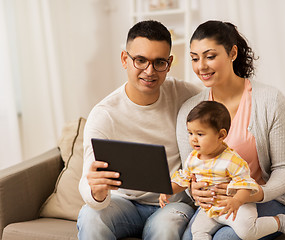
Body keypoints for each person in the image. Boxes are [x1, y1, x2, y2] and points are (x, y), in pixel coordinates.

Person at [176, 20, 285, 240]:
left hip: (274, 200)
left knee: (225, 239)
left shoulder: (270, 100)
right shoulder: (189, 110)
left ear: (232, 53)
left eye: (210, 56)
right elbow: (189, 171)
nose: (201, 66)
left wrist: (255, 194)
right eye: (194, 58)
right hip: (218, 205)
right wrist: (193, 190)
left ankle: (279, 223)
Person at [77, 20, 202, 240]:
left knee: (167, 226)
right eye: (140, 60)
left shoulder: (187, 96)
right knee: (90, 216)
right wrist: (96, 192)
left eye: (159, 62)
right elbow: (88, 175)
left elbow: (225, 112)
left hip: (171, 205)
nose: (150, 71)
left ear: (169, 63)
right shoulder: (104, 114)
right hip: (124, 203)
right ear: (125, 59)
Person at [160, 101, 285, 240]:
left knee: (247, 232)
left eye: (200, 134)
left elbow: (246, 185)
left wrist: (236, 201)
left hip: (237, 206)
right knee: (197, 231)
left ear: (221, 135)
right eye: (190, 133)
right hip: (210, 209)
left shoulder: (231, 160)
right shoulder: (193, 158)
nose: (193, 139)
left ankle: (280, 222)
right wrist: (168, 190)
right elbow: (184, 179)